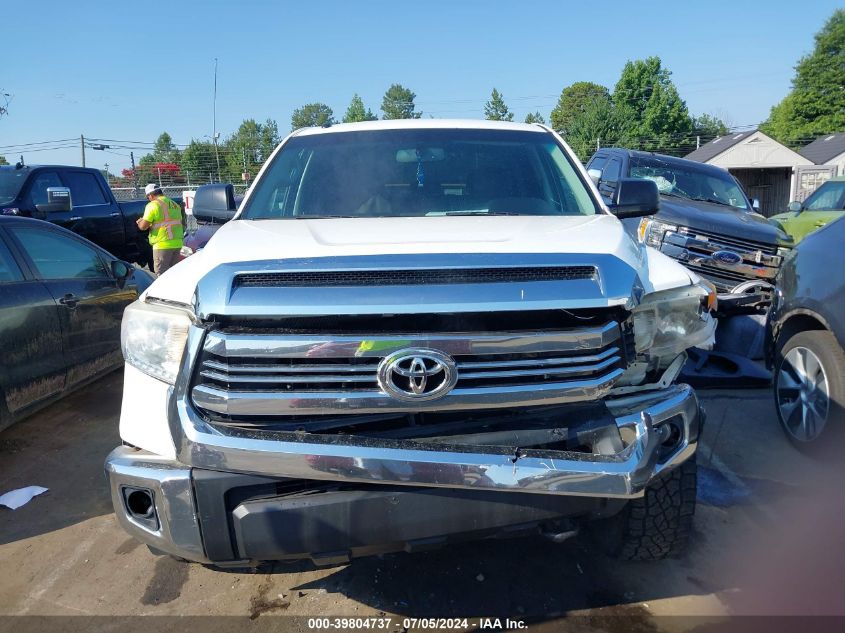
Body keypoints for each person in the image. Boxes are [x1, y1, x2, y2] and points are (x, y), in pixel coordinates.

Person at [136, 183, 184, 275]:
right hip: (177, 243)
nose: (148, 199)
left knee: (161, 274)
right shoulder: (174, 204)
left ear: (150, 195)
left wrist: (140, 222)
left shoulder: (153, 205)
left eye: (148, 197)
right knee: (175, 273)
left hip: (162, 244)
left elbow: (143, 227)